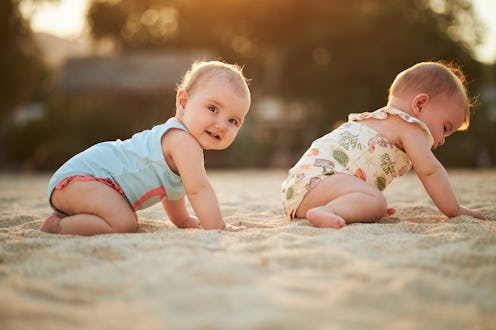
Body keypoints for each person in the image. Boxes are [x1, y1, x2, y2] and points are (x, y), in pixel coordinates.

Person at [41, 60, 251, 235]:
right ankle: (57, 226)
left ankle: (71, 216)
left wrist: (183, 219)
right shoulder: (183, 142)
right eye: (213, 108)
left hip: (83, 184)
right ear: (184, 102)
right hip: (83, 180)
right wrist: (218, 227)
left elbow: (173, 189)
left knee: (123, 218)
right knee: (124, 222)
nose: (221, 125)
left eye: (233, 120)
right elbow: (198, 190)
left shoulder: (178, 138)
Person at [281, 61, 485, 229]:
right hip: (319, 182)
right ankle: (327, 211)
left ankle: (345, 205)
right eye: (445, 127)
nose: (441, 139)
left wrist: (360, 206)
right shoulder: (410, 126)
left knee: (373, 202)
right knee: (378, 201)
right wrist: (454, 209)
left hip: (300, 188)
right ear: (420, 104)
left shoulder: (378, 120)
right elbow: (431, 172)